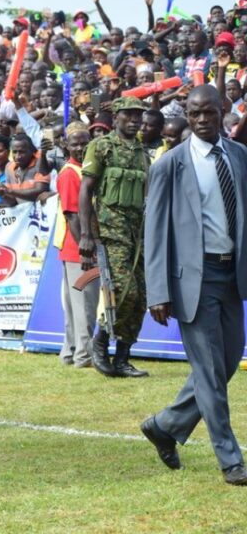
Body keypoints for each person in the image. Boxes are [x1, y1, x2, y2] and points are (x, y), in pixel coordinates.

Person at [142, 85, 247, 486]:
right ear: (186, 115)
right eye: (194, 113)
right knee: (209, 371)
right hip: (194, 281)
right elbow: (155, 231)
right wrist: (158, 291)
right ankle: (230, 460)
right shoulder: (170, 165)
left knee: (226, 363)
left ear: (222, 111)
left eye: (209, 112)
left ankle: (165, 425)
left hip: (233, 275)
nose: (202, 119)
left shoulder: (239, 156)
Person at [78, 96, 151, 378]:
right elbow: (86, 190)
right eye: (128, 115)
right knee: (123, 290)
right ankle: (100, 341)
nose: (134, 120)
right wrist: (86, 234)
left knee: (141, 296)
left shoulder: (143, 153)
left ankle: (122, 357)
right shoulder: (102, 147)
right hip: (110, 231)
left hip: (138, 234)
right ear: (116, 117)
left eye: (138, 115)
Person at [54, 122, 98, 368]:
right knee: (85, 306)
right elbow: (72, 215)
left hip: (75, 248)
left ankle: (71, 352)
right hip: (79, 248)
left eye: (84, 143)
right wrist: (86, 248)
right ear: (66, 145)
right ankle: (84, 355)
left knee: (75, 305)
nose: (80, 148)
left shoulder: (83, 169)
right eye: (75, 144)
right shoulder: (71, 173)